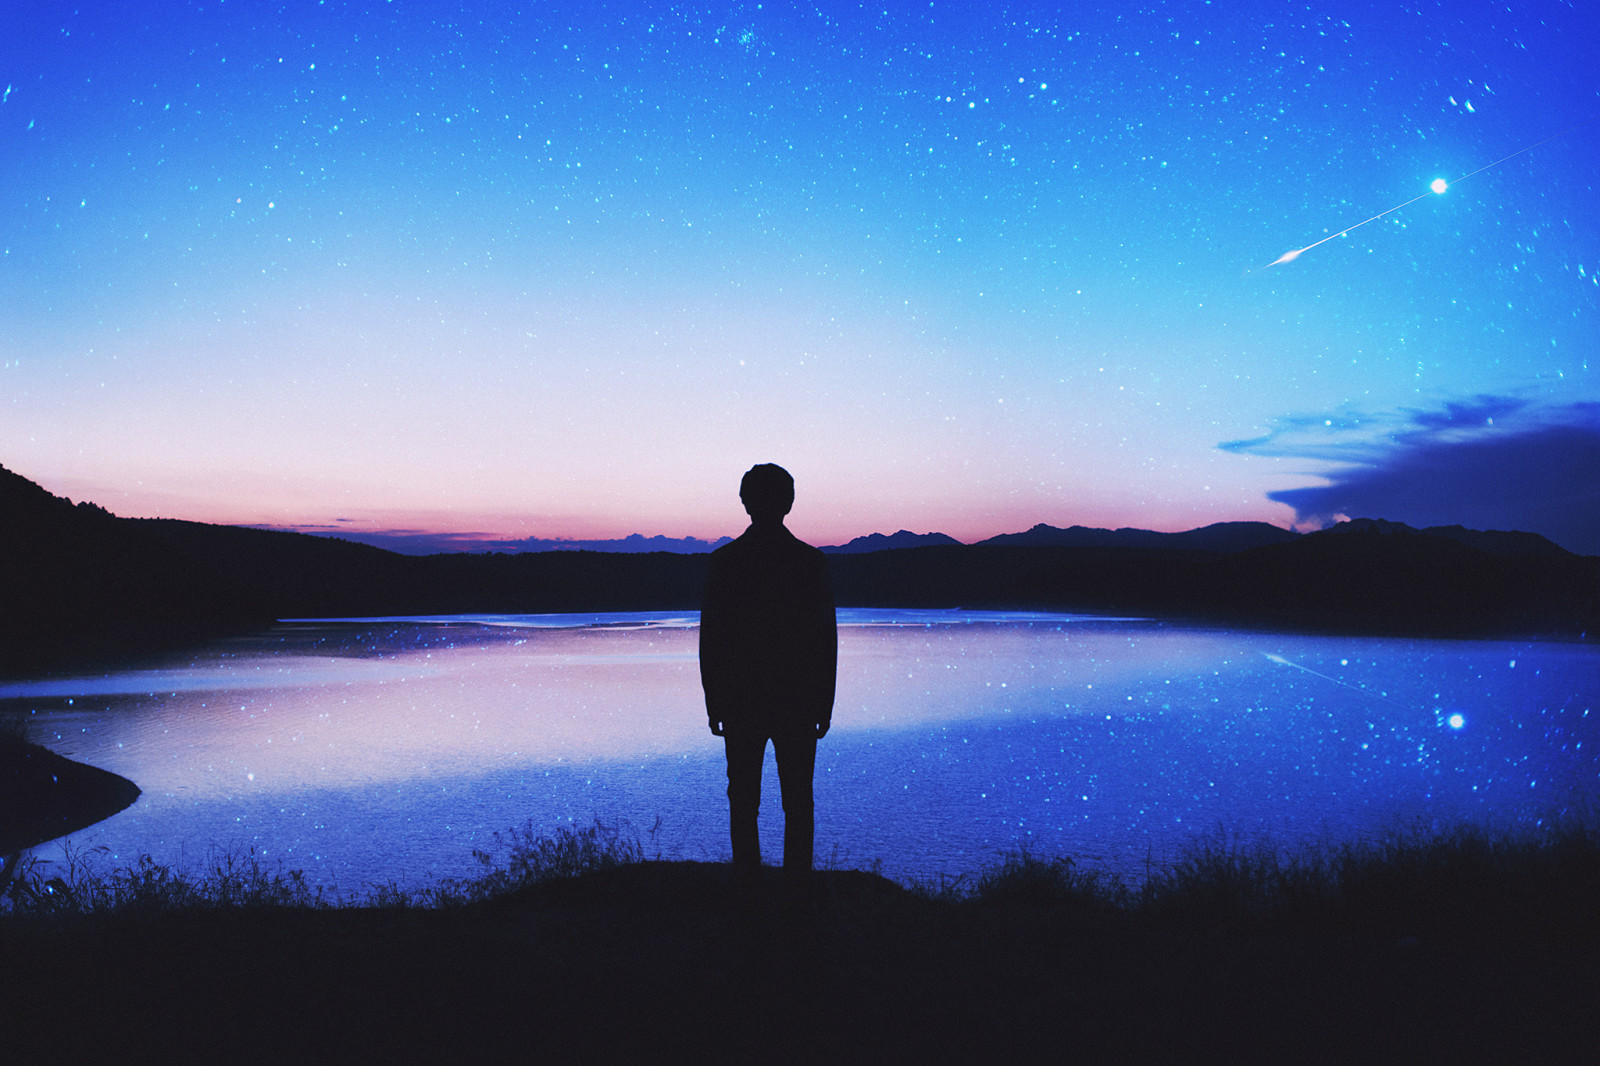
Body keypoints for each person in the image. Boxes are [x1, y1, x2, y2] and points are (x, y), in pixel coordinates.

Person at [699, 463, 837, 880]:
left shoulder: (725, 562)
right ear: (789, 502)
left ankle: (748, 886)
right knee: (797, 800)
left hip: (742, 699)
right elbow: (824, 641)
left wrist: (715, 701)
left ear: (746, 503)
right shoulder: (809, 563)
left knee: (744, 799)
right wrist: (823, 703)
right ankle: (797, 888)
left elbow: (712, 642)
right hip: (795, 699)